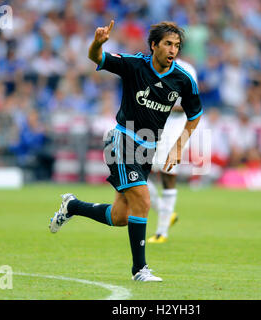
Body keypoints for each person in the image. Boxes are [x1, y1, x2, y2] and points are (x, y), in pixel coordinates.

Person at [48, 20, 203, 282]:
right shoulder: (134, 65)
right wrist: (98, 42)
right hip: (122, 141)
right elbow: (95, 57)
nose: (173, 50)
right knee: (143, 200)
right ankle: (139, 270)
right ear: (154, 45)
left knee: (121, 217)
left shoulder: (183, 79)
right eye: (167, 44)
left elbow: (195, 114)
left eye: (177, 45)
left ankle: (72, 205)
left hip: (148, 150)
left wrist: (178, 147)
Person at [146, 58, 198, 244]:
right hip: (150, 123)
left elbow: (188, 103)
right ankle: (164, 212)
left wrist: (161, 104)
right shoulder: (148, 65)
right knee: (136, 173)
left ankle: (162, 232)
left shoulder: (186, 69)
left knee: (168, 172)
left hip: (175, 126)